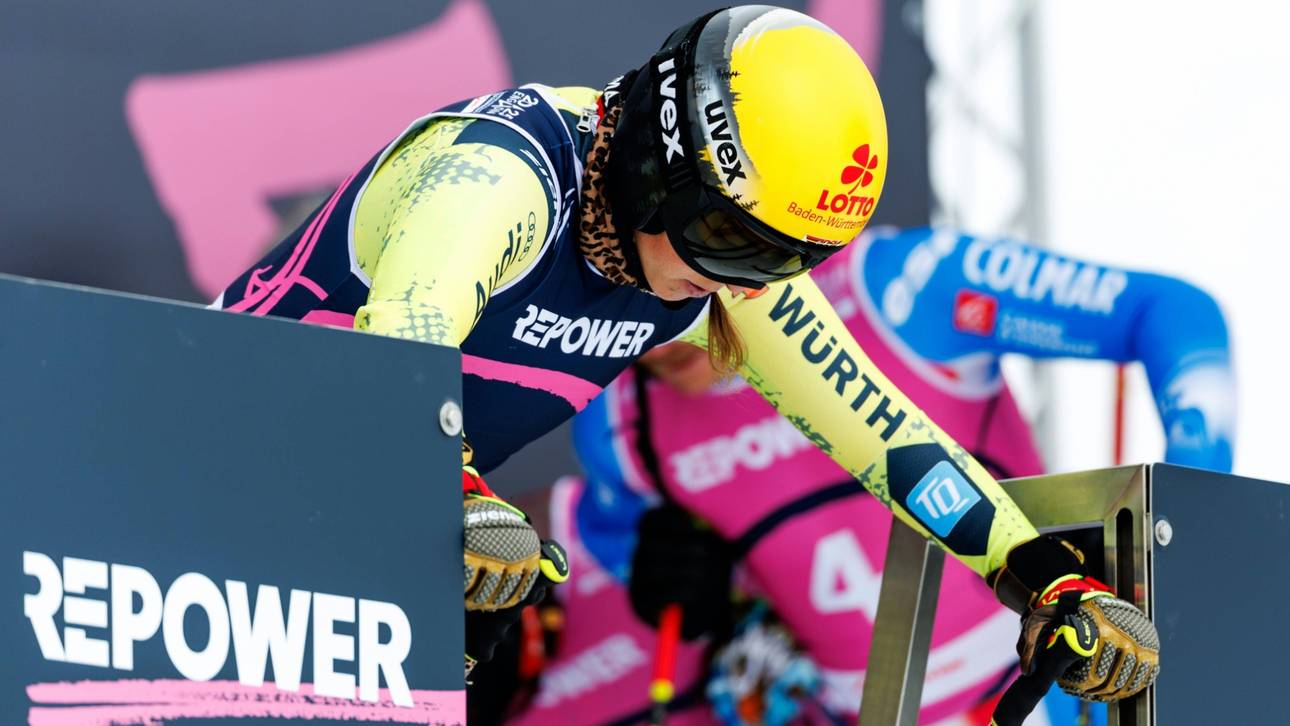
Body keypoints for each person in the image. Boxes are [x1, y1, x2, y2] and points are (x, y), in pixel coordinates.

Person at [211, 6, 1159, 722]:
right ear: (657, 162)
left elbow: (890, 438)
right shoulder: (505, 172)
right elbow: (400, 347)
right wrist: (456, 500)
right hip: (186, 461)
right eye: (726, 239)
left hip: (322, 532)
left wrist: (1044, 576)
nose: (736, 281)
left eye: (779, 259)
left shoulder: (716, 270)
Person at [495, 225, 1230, 725]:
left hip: (1046, 693)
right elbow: (633, 551)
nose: (668, 324)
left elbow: (1171, 314)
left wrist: (1191, 525)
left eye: (698, 280)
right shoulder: (619, 412)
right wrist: (685, 587)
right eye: (646, 295)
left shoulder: (898, 288)